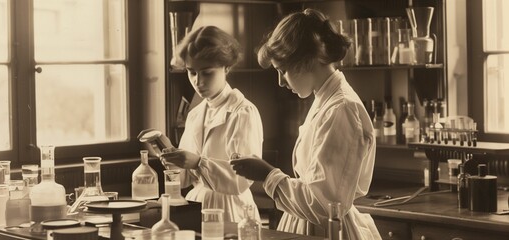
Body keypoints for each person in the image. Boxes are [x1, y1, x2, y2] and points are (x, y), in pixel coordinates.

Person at [230, 9, 381, 239]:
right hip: (305, 223)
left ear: (308, 60)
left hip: (329, 229)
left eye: (283, 71)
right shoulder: (324, 99)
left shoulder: (342, 109)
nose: (280, 82)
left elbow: (324, 206)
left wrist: (268, 174)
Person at [161, 25, 263, 223]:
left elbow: (241, 180)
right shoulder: (195, 114)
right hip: (195, 206)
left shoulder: (243, 112)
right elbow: (183, 181)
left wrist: (198, 162)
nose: (198, 81)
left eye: (207, 72)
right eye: (191, 72)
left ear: (226, 67)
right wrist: (174, 163)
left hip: (231, 212)